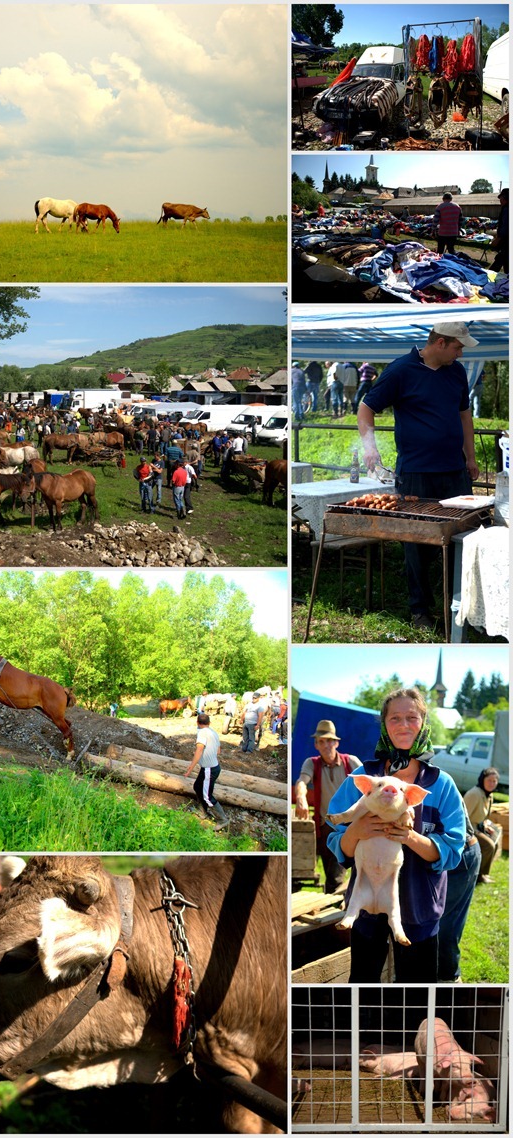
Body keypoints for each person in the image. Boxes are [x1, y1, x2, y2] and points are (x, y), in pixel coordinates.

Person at [326, 688, 465, 982]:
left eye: (412, 718)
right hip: (365, 908)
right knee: (362, 983)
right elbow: (337, 838)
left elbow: (453, 849)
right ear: (384, 725)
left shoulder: (441, 784)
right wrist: (356, 830)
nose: (403, 725)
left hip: (420, 910)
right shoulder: (366, 777)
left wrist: (409, 836)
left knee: (415, 991)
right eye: (395, 718)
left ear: (424, 722)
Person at [357, 322, 479, 629]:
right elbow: (365, 407)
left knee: (462, 539)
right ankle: (420, 610)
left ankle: (462, 607)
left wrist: (471, 456)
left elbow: (464, 415)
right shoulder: (401, 370)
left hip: (455, 472)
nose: (461, 352)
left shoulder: (456, 372)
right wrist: (369, 448)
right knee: (416, 545)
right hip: (415, 473)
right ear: (439, 342)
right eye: (457, 346)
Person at [295, 720, 362, 894]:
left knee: (337, 878)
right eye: (321, 741)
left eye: (330, 741)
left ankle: (336, 914)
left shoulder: (351, 762)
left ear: (337, 743)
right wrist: (301, 797)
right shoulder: (312, 763)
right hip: (325, 828)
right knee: (302, 871)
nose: (326, 745)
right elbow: (302, 780)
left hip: (348, 828)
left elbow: (369, 784)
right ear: (316, 745)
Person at [437, 799, 481, 981]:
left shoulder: (439, 783)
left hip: (460, 856)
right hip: (439, 855)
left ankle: (448, 978)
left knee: (446, 923)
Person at [184, 712, 228, 830]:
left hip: (209, 769)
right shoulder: (213, 732)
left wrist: (190, 768)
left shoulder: (202, 733)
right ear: (209, 723)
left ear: (197, 722)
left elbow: (199, 751)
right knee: (197, 786)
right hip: (212, 767)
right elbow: (218, 751)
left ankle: (222, 820)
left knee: (207, 796)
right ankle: (202, 812)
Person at [463, 767, 503, 884]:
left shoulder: (489, 795)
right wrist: (473, 833)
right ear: (482, 780)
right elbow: (464, 818)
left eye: (494, 781)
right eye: (489, 780)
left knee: (495, 840)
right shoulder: (474, 794)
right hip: (468, 829)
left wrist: (485, 825)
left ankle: (483, 873)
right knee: (489, 845)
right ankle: (478, 875)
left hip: (478, 826)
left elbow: (485, 816)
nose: (492, 783)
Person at [490, 187, 508, 274]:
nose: (500, 200)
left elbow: (506, 227)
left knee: (501, 259)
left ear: (505, 198)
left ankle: (487, 279)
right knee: (504, 260)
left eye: (501, 198)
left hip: (506, 241)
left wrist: (497, 239)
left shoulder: (507, 209)